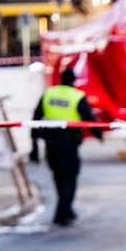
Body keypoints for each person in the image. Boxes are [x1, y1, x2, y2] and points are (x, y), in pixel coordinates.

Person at [32, 68, 101, 227]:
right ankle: (61, 213)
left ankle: (67, 209)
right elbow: (89, 118)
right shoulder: (77, 96)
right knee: (70, 178)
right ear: (73, 81)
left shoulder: (49, 94)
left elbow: (35, 117)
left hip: (50, 143)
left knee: (58, 177)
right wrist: (99, 134)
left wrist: (34, 145)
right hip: (68, 144)